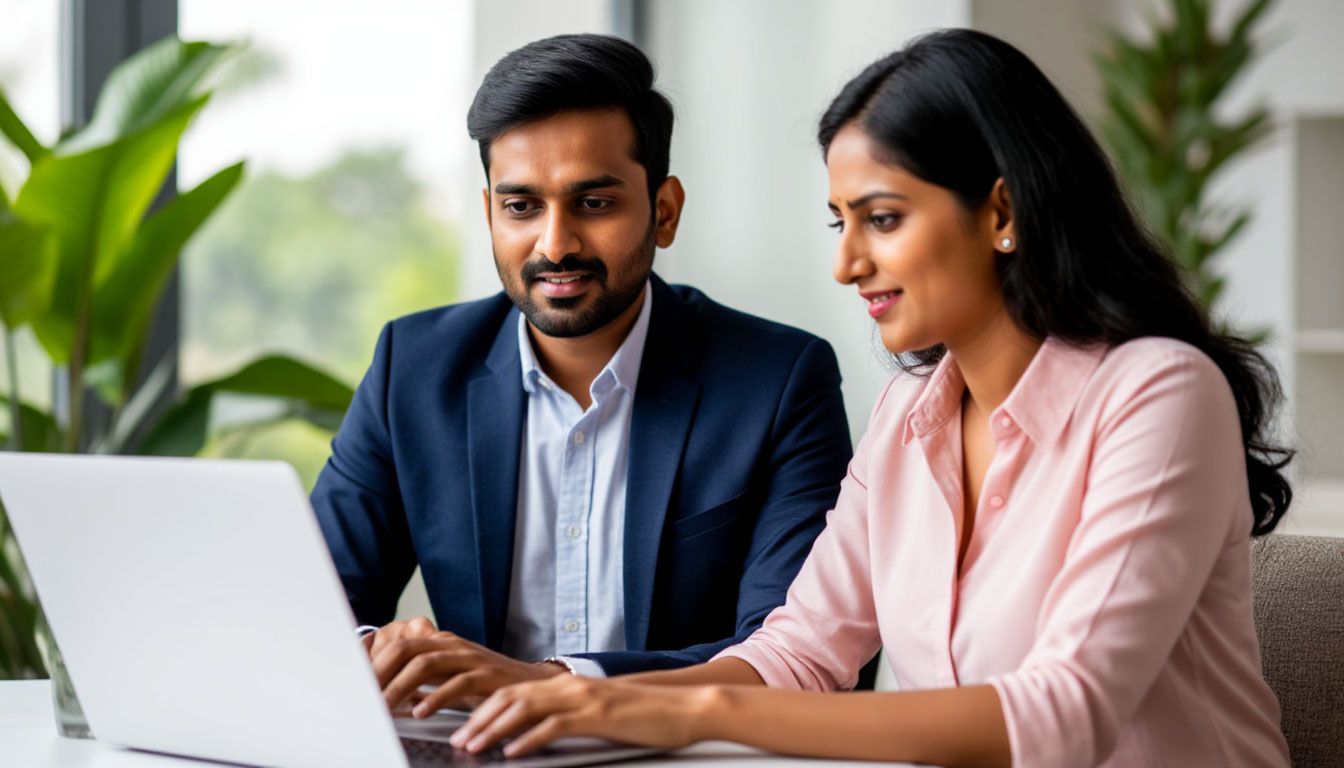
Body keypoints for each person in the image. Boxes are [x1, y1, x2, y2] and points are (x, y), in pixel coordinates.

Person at [444, 29, 1294, 767]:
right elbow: (800, 652)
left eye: (881, 219)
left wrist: (676, 710)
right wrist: (572, 698)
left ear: (1002, 211)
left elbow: (1066, 712)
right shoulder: (908, 415)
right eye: (838, 222)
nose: (847, 263)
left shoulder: (1159, 394)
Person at [308, 33, 853, 712]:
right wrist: (370, 653)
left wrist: (556, 686)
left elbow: (800, 656)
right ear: (489, 215)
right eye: (521, 206)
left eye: (594, 204)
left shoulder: (777, 381)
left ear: (664, 211)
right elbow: (314, 601)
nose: (555, 243)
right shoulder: (413, 370)